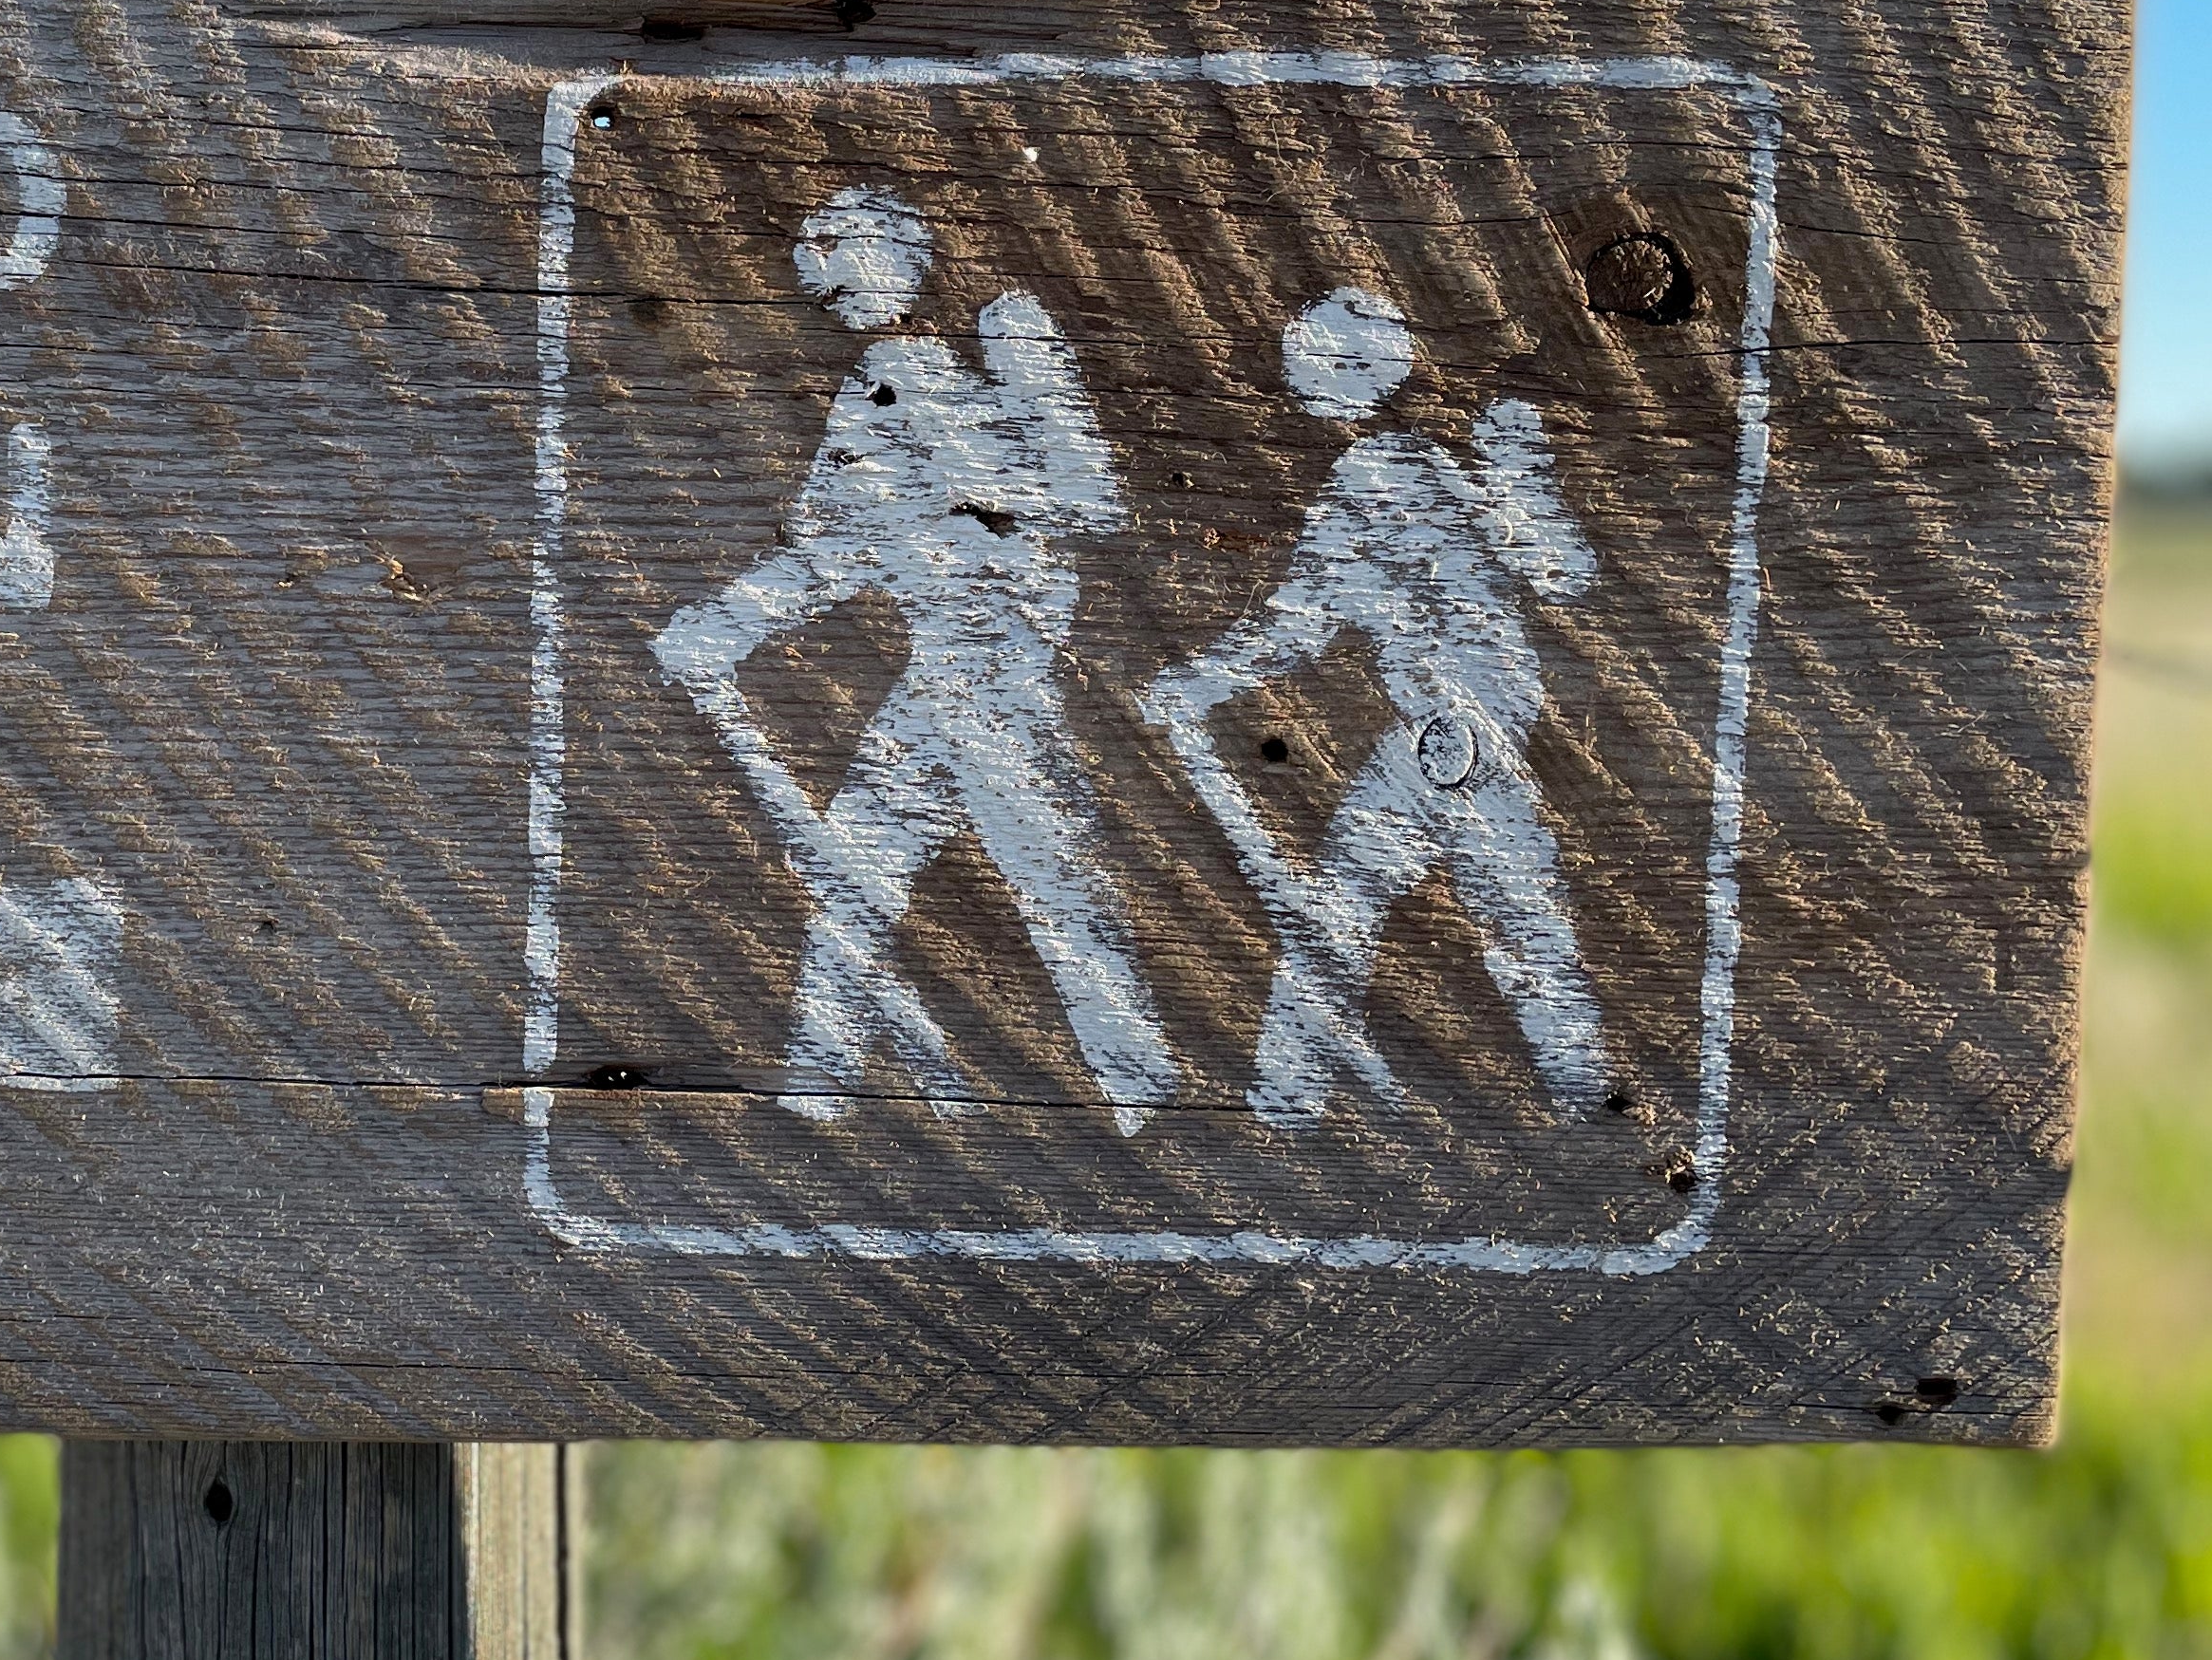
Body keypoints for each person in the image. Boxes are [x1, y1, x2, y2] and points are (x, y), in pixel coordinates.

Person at [654, 185, 1178, 1130]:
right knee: (876, 876)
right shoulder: (901, 376)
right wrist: (725, 628)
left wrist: (731, 626)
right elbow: (836, 545)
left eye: (838, 259)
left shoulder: (962, 358)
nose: (826, 291)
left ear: (900, 248)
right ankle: (823, 1094)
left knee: (1046, 894)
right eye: (816, 279)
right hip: (954, 677)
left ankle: (1142, 1095)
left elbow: (1066, 504)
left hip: (996, 683)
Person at [1137, 285, 1607, 1128]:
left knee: (1380, 903)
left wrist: (1197, 684)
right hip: (1462, 722)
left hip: (1455, 730)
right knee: (1473, 913)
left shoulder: (1384, 471)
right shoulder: (1422, 462)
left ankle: (1291, 1098)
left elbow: (1301, 620)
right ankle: (1570, 1090)